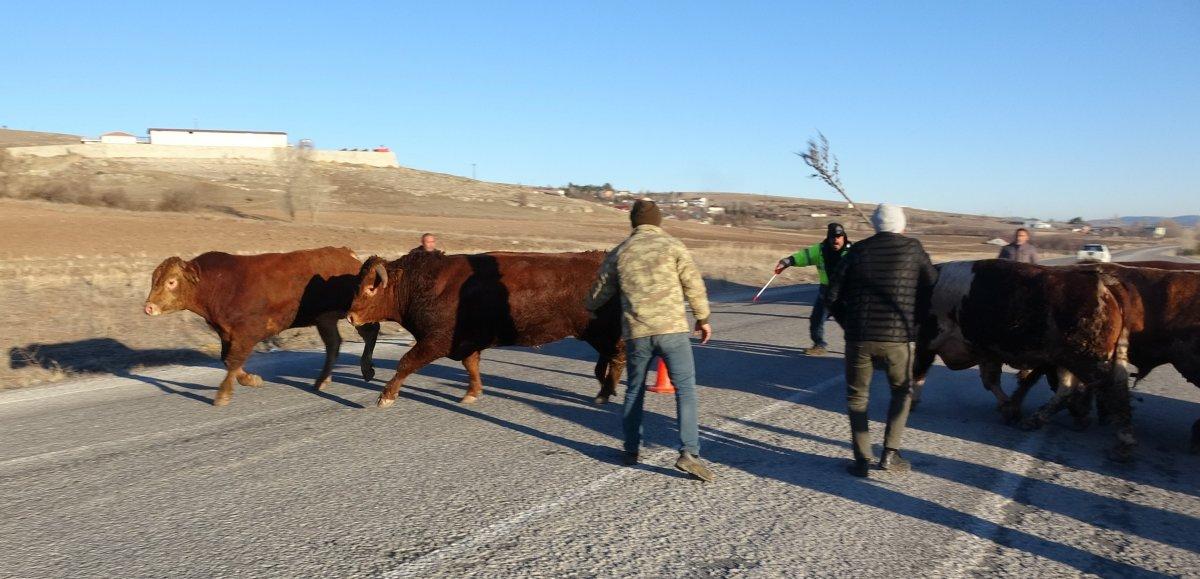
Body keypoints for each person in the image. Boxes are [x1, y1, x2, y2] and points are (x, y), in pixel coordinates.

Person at [585, 199, 715, 481]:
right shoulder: (673, 246)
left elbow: (599, 291)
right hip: (672, 330)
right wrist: (702, 318)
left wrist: (591, 307)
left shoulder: (621, 251)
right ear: (658, 221)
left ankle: (631, 449)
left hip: (637, 334)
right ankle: (689, 453)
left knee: (634, 390)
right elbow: (693, 283)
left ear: (633, 221)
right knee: (685, 390)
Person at [826, 203, 938, 478]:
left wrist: (847, 323)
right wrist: (916, 319)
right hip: (898, 337)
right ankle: (890, 453)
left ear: (875, 225)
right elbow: (932, 282)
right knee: (902, 392)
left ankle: (862, 460)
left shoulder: (858, 250)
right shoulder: (913, 248)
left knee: (857, 397)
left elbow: (831, 295)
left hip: (859, 337)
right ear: (901, 225)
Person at [775, 223, 852, 356]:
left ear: (844, 237)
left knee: (850, 323)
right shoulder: (820, 250)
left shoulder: (852, 252)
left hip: (846, 293)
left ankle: (856, 348)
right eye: (833, 237)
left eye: (839, 237)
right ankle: (819, 345)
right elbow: (803, 256)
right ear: (828, 237)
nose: (836, 240)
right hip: (826, 293)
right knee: (816, 320)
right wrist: (786, 262)